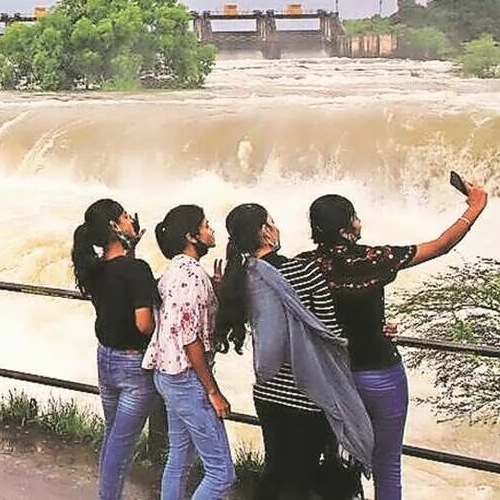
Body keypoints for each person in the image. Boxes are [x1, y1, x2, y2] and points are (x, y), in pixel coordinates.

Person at [299, 184, 488, 500]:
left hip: (333, 378)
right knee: (387, 466)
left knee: (338, 459)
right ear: (346, 229)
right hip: (380, 373)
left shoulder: (304, 266)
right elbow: (441, 245)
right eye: (355, 217)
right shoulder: (375, 259)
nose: (360, 222)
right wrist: (475, 207)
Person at [216, 203, 372, 499]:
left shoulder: (242, 276)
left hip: (267, 390)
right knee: (299, 480)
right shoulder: (302, 270)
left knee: (275, 473)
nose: (277, 228)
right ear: (264, 231)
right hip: (305, 392)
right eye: (272, 222)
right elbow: (329, 330)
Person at [142, 204, 234, 499]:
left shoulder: (176, 270)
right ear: (191, 236)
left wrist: (214, 289)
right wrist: (213, 391)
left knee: (180, 458)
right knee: (221, 473)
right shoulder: (191, 276)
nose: (212, 230)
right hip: (186, 378)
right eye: (206, 226)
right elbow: (189, 338)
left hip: (168, 374)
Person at [71, 198, 155, 499]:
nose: (131, 220)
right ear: (113, 226)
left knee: (114, 436)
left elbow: (121, 279)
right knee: (121, 446)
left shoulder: (95, 268)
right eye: (124, 217)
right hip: (133, 365)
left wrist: (129, 245)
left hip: (105, 359)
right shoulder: (138, 270)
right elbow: (144, 324)